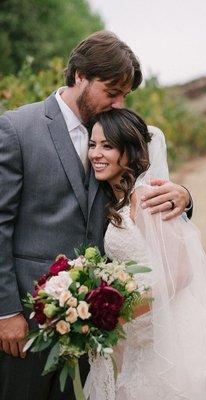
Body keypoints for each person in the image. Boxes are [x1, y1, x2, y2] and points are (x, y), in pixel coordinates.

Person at [0, 31, 192, 400]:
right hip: (25, 321)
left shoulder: (109, 132)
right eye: (112, 91)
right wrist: (6, 311)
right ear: (79, 77)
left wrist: (184, 195)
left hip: (91, 324)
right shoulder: (17, 129)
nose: (118, 103)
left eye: (125, 96)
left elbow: (138, 183)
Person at [85, 108, 206, 400]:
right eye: (93, 144)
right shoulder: (118, 200)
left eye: (107, 145)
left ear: (128, 151)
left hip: (165, 335)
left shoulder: (144, 198)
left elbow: (179, 271)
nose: (96, 154)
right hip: (142, 339)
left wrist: (120, 314)